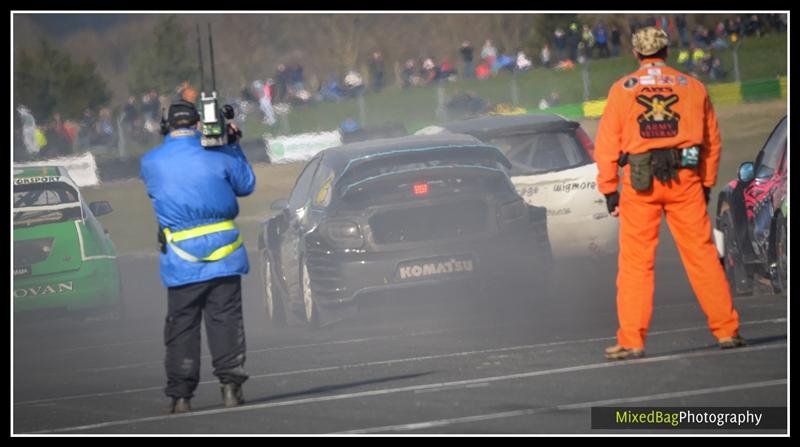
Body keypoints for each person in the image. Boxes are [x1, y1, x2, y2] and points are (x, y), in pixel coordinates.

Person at [593, 27, 745, 360]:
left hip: (640, 182)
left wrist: (608, 189)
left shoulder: (623, 89)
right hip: (686, 180)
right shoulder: (693, 87)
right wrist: (705, 183)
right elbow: (711, 142)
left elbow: (606, 145)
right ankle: (727, 330)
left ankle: (632, 340)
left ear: (636, 54)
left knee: (636, 263)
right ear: (667, 51)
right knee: (703, 256)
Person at [140, 100, 256, 413]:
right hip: (225, 257)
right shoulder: (218, 156)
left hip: (181, 261)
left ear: (167, 126)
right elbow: (246, 185)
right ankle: (231, 387)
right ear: (198, 124)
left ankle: (181, 397)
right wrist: (231, 145)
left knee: (182, 328)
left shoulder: (151, 162)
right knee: (225, 322)